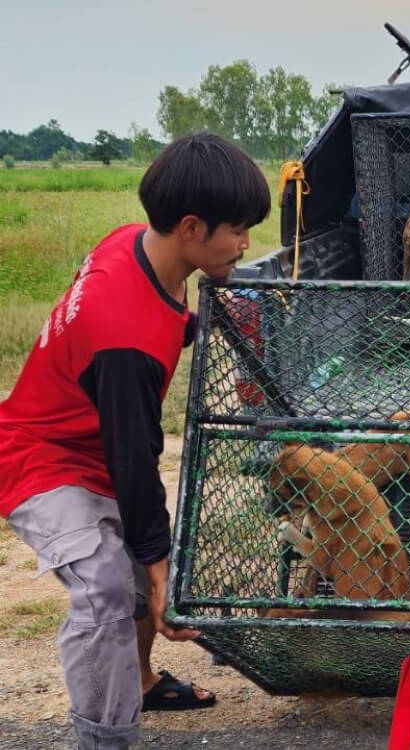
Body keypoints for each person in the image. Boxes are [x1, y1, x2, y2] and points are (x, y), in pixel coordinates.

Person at [0, 133, 270, 749]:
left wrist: (197, 326)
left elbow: (157, 317)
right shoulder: (123, 342)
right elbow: (135, 459)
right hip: (42, 458)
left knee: (140, 565)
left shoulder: (133, 241)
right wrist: (157, 563)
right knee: (107, 588)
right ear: (192, 227)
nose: (246, 244)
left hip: (96, 445)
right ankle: (105, 739)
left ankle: (141, 681)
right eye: (238, 230)